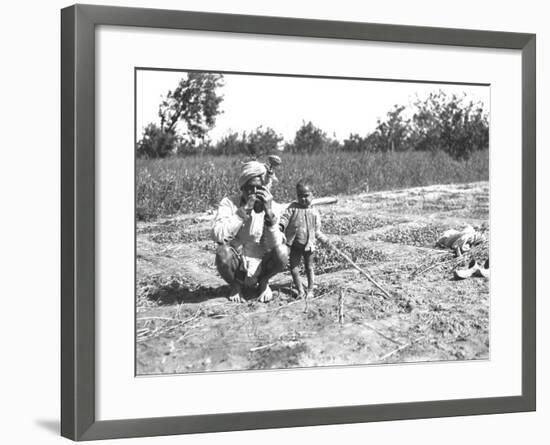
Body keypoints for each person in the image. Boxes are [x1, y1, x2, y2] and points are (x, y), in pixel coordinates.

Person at [211, 160, 289, 303]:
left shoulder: (274, 207)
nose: (253, 193)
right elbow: (218, 235)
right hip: (238, 264)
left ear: (264, 189)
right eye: (249, 188)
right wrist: (243, 212)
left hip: (262, 262)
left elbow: (275, 246)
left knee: (283, 251)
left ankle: (264, 282)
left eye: (258, 189)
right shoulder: (229, 203)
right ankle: (236, 285)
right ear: (242, 188)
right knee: (222, 253)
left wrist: (269, 215)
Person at [279, 179, 329, 300]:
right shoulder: (292, 208)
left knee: (309, 267)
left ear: (313, 195)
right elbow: (284, 218)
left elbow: (317, 231)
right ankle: (300, 290)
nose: (303, 199)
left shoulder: (314, 212)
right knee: (294, 268)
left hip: (309, 245)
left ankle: (310, 289)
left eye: (306, 196)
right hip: (295, 244)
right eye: (300, 196)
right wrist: (281, 225)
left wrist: (325, 240)